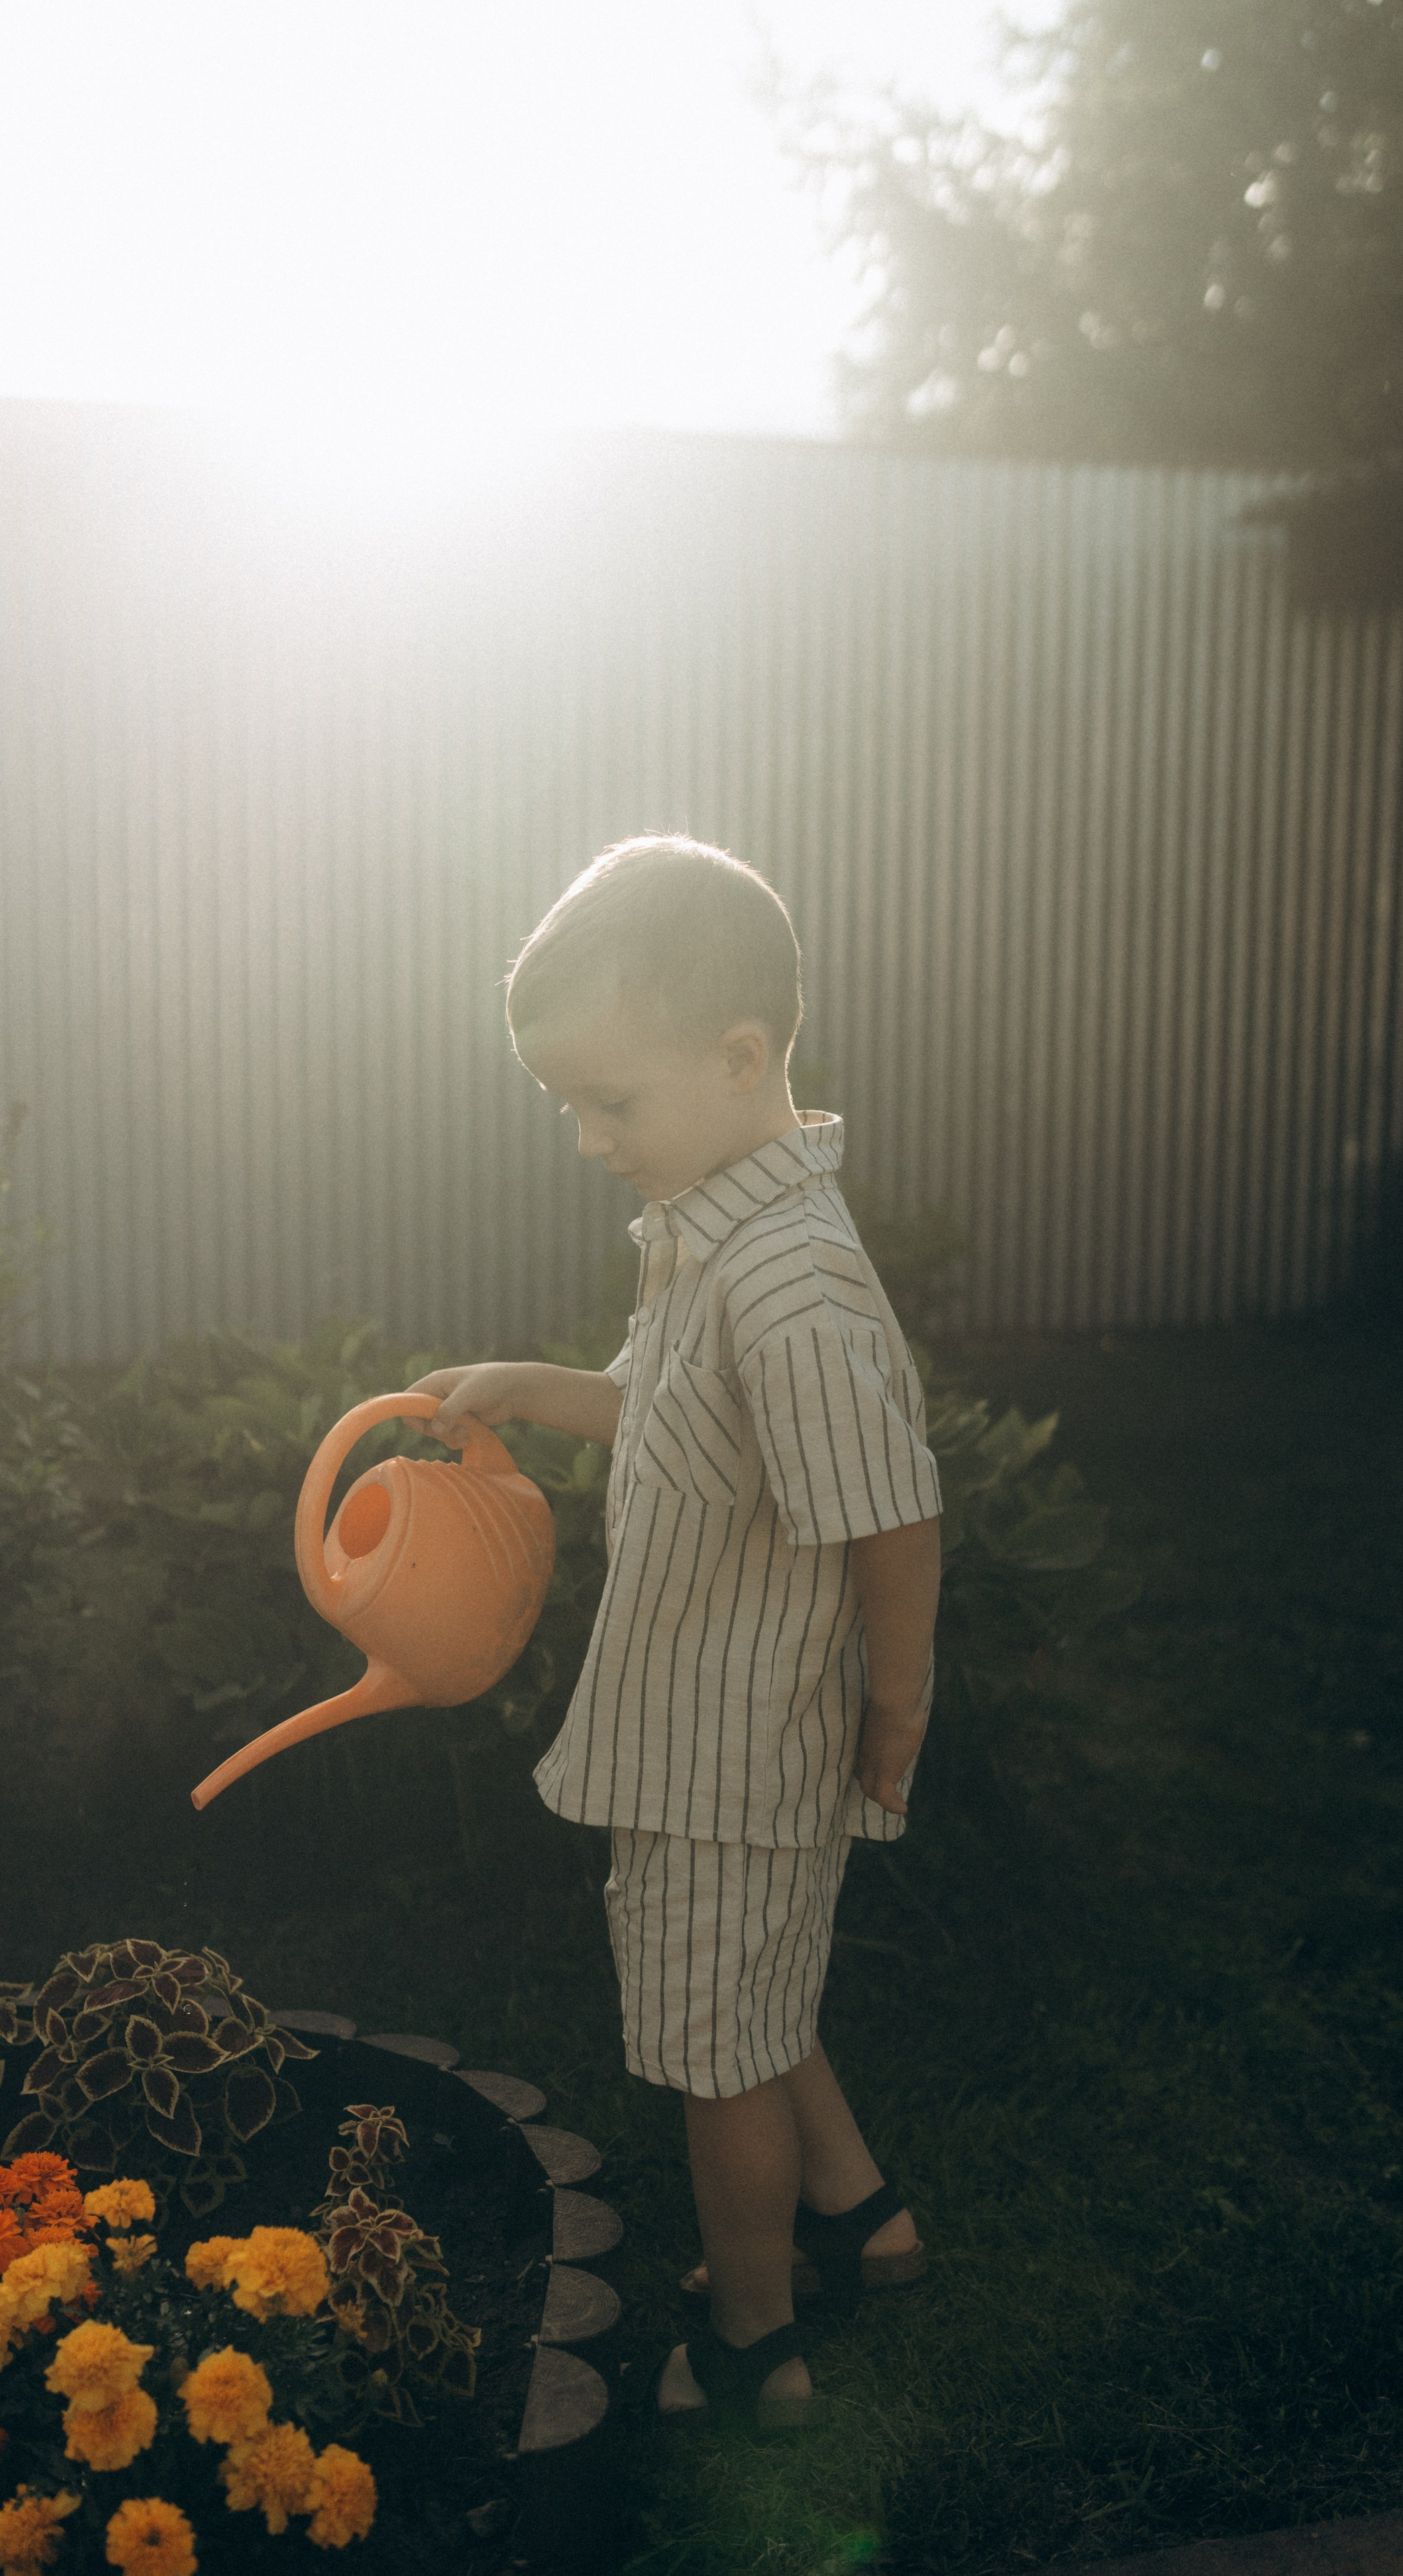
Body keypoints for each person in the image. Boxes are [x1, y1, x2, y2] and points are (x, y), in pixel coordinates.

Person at [405, 835, 942, 2438]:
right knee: (750, 1999)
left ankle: (754, 2342)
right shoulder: (711, 1232)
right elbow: (668, 1421)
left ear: (738, 1058)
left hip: (735, 1752)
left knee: (719, 2055)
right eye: (566, 1105)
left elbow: (889, 1514)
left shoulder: (789, 1287)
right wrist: (533, 1386)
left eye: (609, 1103)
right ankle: (863, 2221)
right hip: (701, 1733)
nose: (584, 1138)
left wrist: (896, 1708)